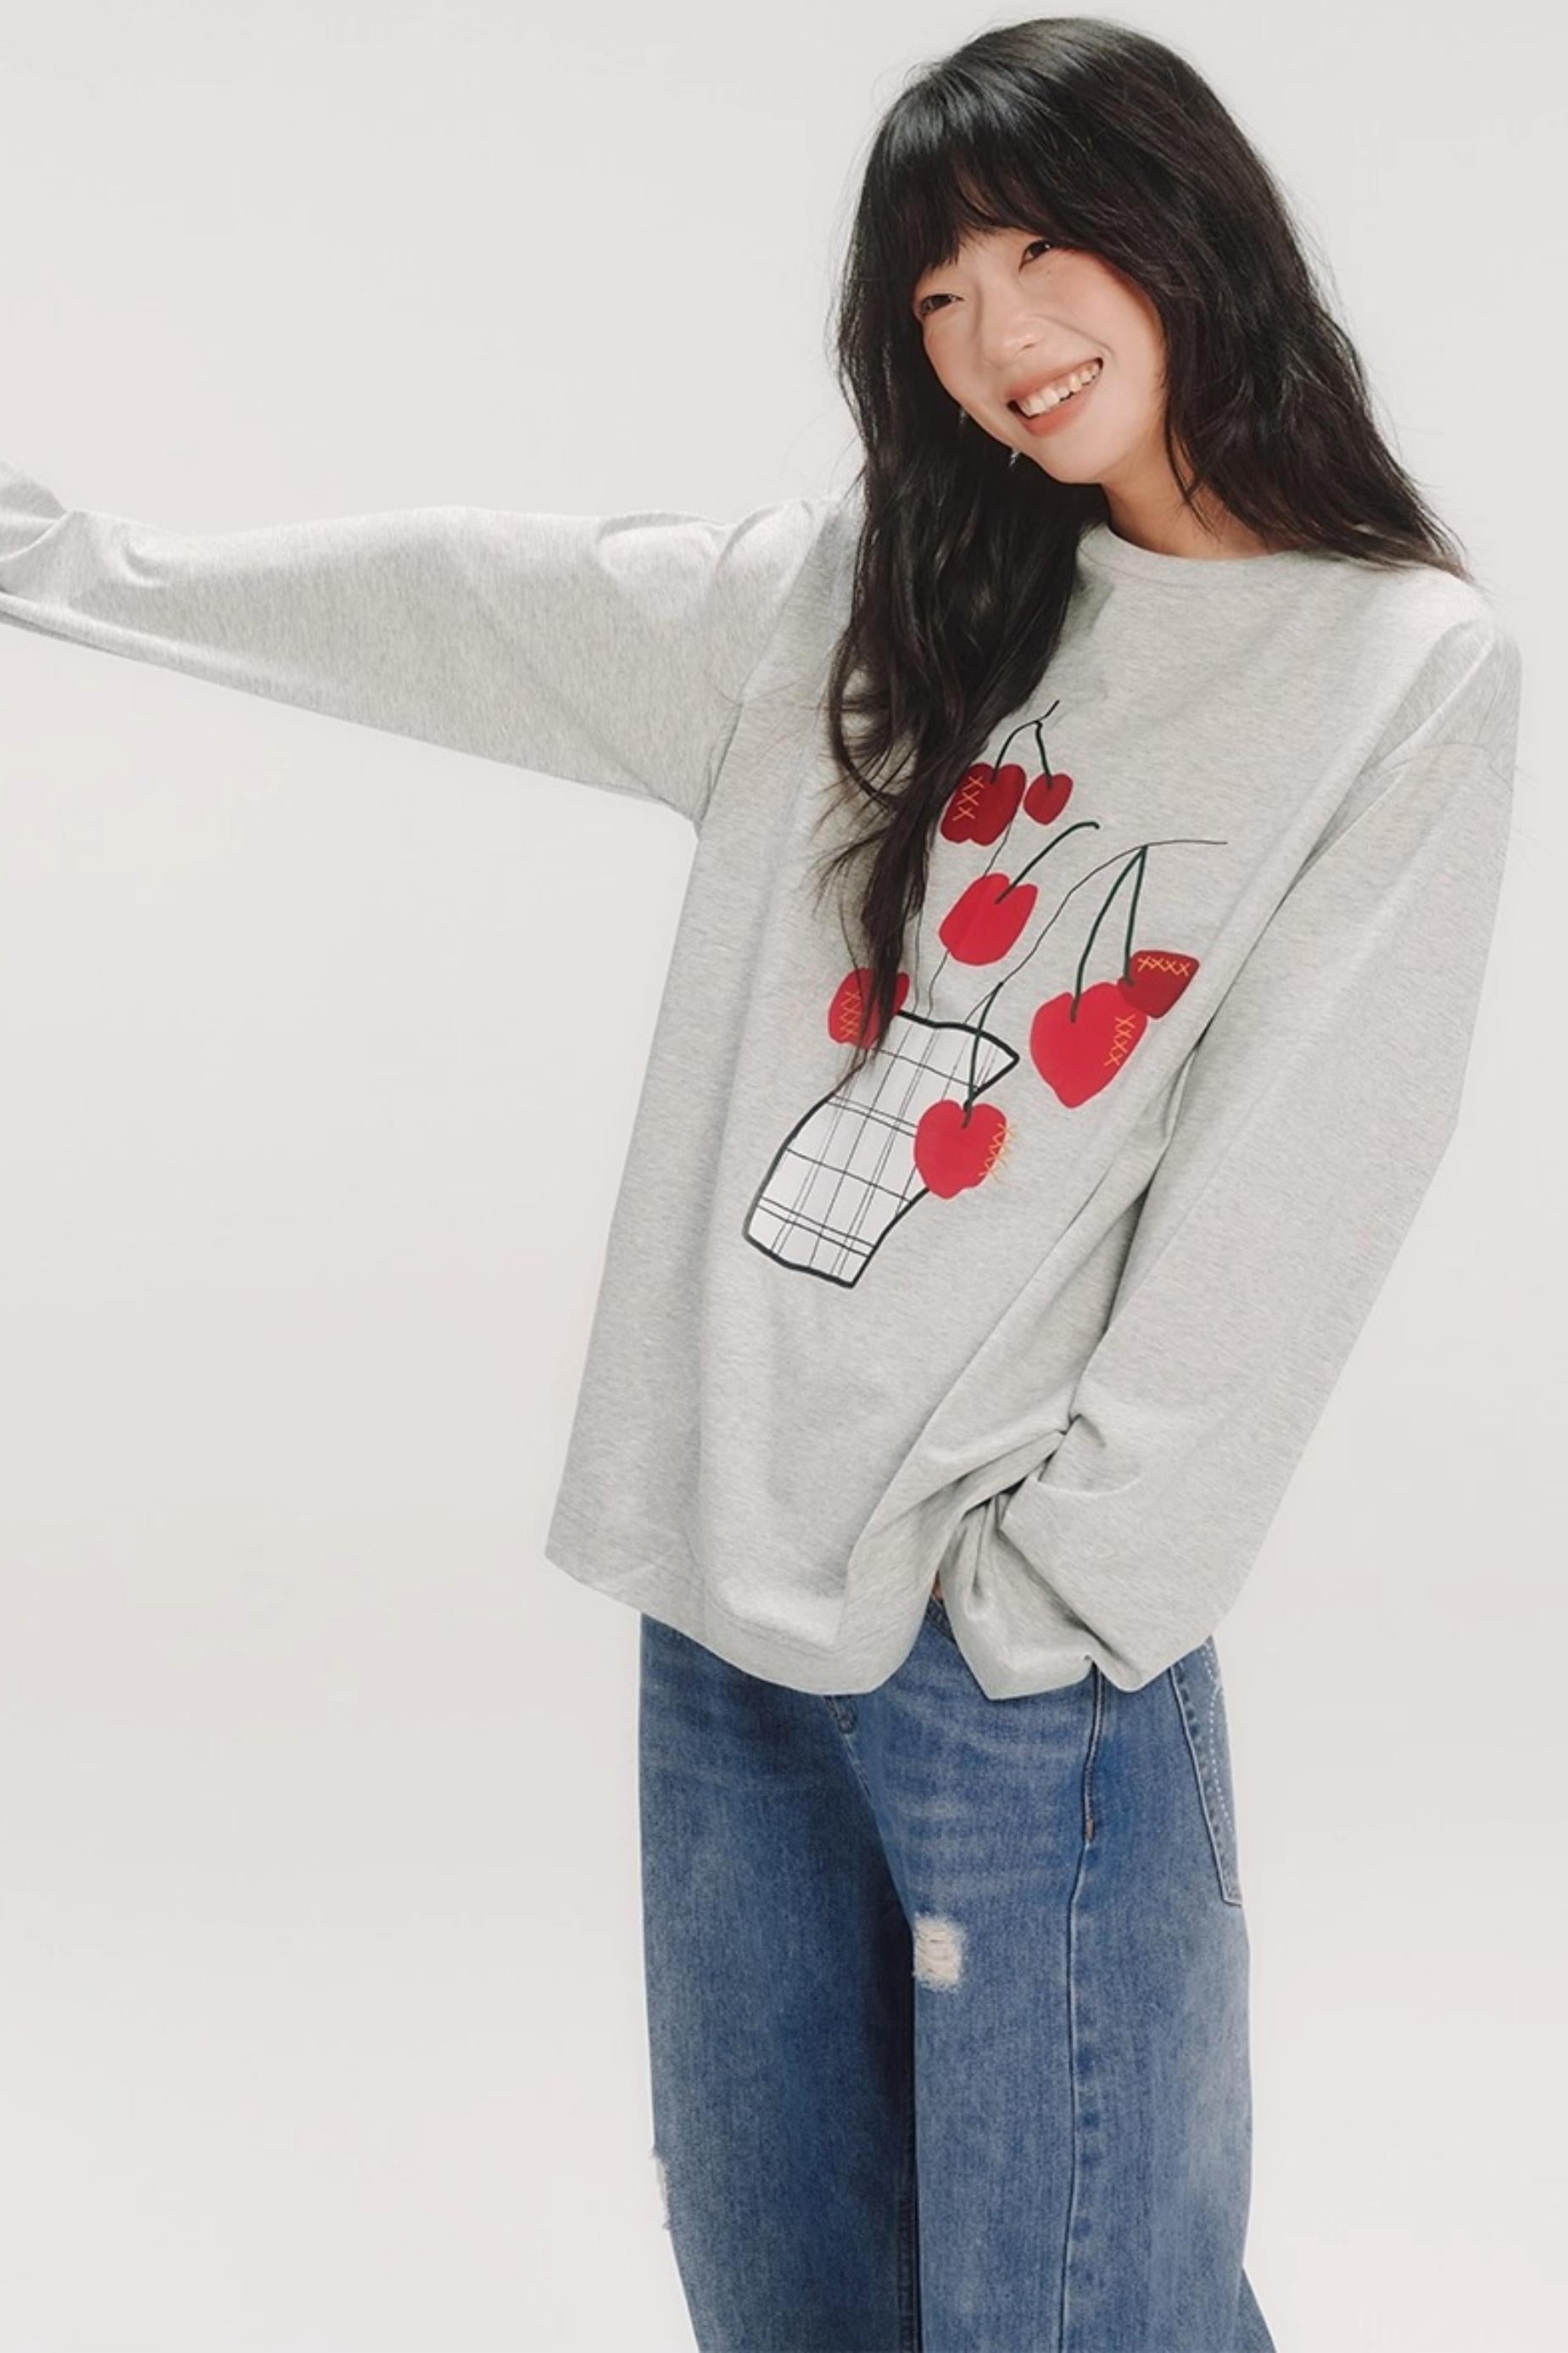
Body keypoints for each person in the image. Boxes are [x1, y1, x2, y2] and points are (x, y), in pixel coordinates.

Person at [0, 16, 1522, 2351]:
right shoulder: (873, 596)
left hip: (1014, 1654)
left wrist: (1067, 1584)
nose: (996, 338)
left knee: (1080, 2317)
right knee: (783, 2299)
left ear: (1185, 225)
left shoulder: (1394, 668)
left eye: (1038, 253)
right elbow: (472, 598)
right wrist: (67, 560)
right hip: (722, 1604)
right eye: (935, 298)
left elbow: (1315, 1161)